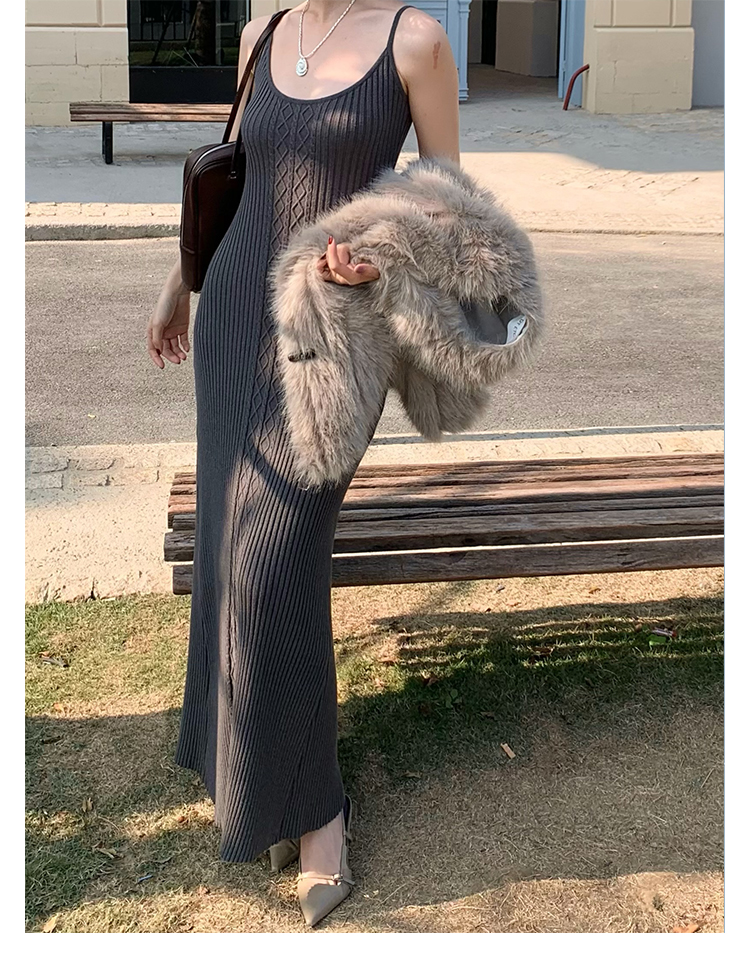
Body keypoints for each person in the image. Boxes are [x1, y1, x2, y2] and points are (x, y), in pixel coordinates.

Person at [146, 0, 460, 927]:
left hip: (333, 340)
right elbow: (231, 183)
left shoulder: (415, 41)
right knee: (228, 544)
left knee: (275, 557)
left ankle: (319, 811)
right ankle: (247, 772)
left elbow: (446, 209)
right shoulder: (262, 32)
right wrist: (180, 285)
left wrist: (379, 260)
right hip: (234, 312)